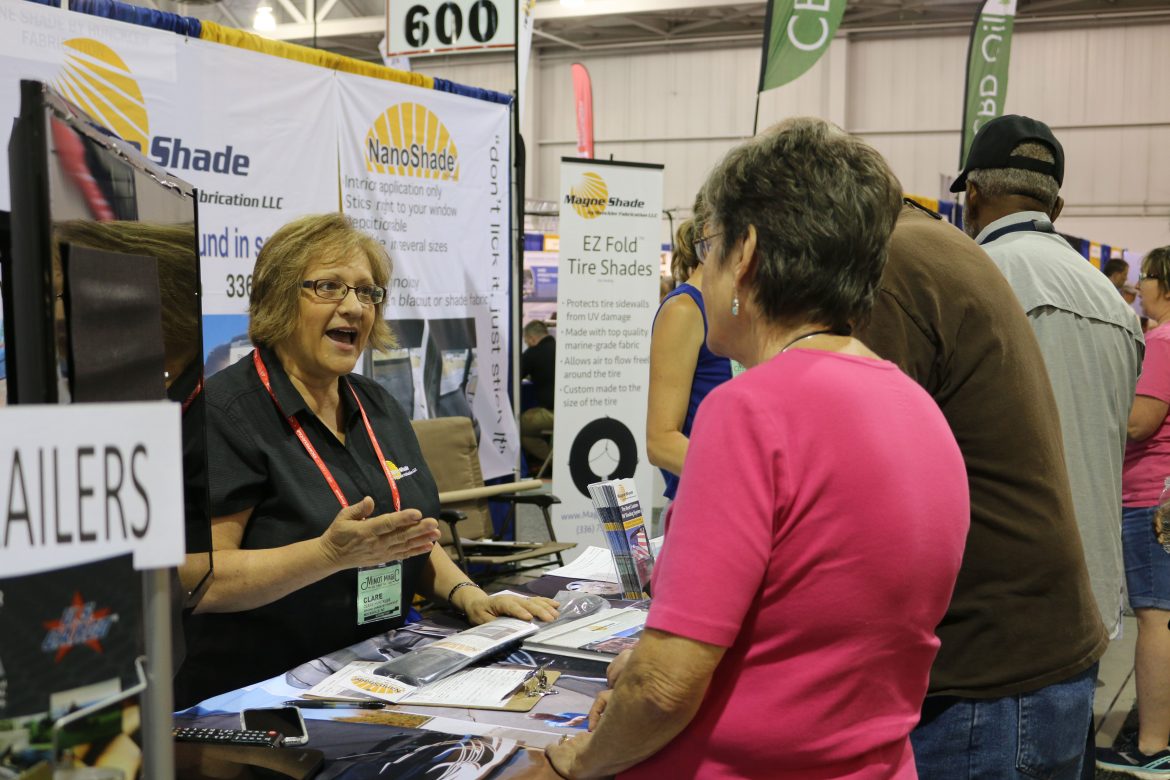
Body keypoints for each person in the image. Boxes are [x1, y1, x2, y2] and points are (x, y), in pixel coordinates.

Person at [544, 118, 969, 780]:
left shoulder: (748, 412)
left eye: (708, 246)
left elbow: (664, 689)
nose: (702, 269)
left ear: (744, 253)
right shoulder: (918, 410)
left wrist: (580, 763)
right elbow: (813, 634)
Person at [173, 214, 558, 707]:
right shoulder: (226, 413)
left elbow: (405, 540)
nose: (354, 307)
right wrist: (327, 556)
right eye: (329, 287)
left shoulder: (376, 404)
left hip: (375, 672)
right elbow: (199, 579)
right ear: (278, 298)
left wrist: (469, 595)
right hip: (263, 693)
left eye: (367, 292)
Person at [852, 200, 1108, 779]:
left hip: (984, 680)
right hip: (1026, 655)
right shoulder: (939, 247)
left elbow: (865, 492)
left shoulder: (888, 270)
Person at [956, 115, 1143, 642]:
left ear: (972, 196)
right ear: (1056, 208)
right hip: (1092, 600)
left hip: (994, 608)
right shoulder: (1114, 304)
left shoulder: (968, 280)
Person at [1097, 246, 1170, 775]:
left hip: (1150, 496)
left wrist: (1098, 408)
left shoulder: (1163, 341)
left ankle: (1152, 745)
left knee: (1155, 617)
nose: (1138, 287)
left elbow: (1139, 423)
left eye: (1146, 277)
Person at [646, 212, 732, 503]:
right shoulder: (683, 310)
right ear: (710, 235)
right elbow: (660, 441)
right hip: (701, 501)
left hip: (736, 503)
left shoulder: (733, 310)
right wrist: (739, 477)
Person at [519, 319, 556, 474]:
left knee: (518, 426)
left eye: (526, 341)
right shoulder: (562, 348)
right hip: (573, 413)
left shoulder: (533, 353)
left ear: (532, 338)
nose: (527, 344)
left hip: (551, 414)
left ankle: (555, 462)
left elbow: (514, 376)